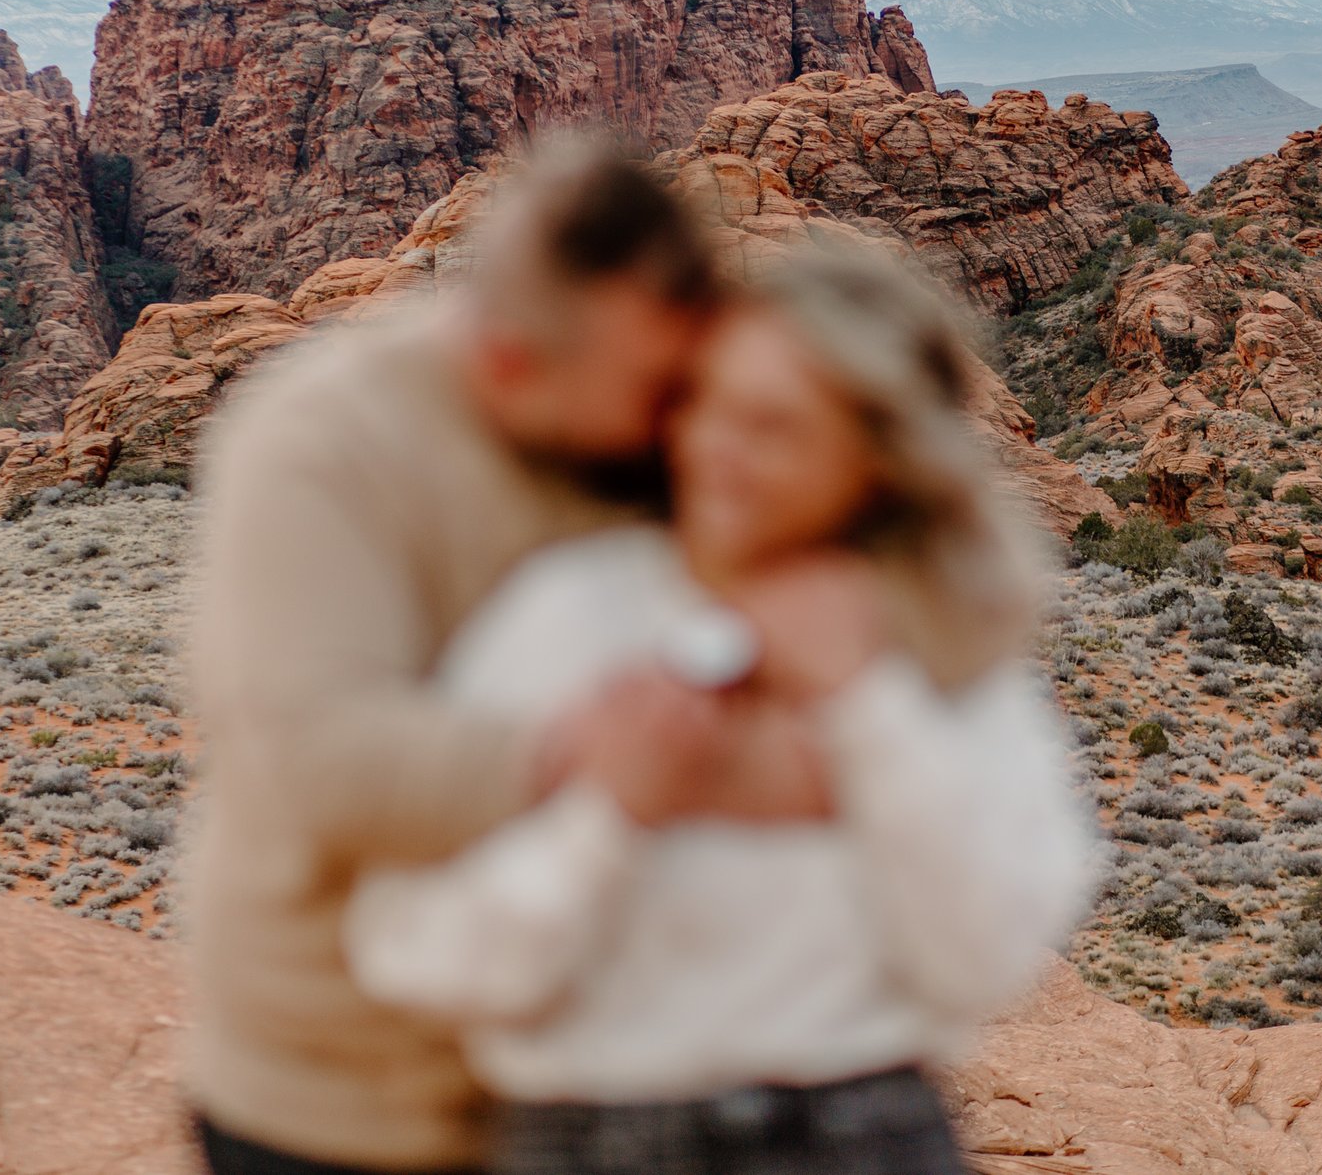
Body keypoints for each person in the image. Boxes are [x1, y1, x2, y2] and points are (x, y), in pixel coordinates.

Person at [342, 245, 1098, 1175]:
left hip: (865, 1133)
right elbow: (422, 954)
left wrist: (865, 711)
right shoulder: (570, 612)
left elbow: (980, 960)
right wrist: (612, 814)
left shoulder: (939, 633)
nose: (709, 448)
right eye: (700, 403)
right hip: (588, 1137)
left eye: (770, 425)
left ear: (876, 459)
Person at [185, 143, 822, 1175]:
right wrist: (588, 751)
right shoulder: (323, 442)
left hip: (606, 1085)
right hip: (351, 1096)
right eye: (650, 388)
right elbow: (316, 760)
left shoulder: (653, 434)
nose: (681, 424)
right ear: (507, 359)